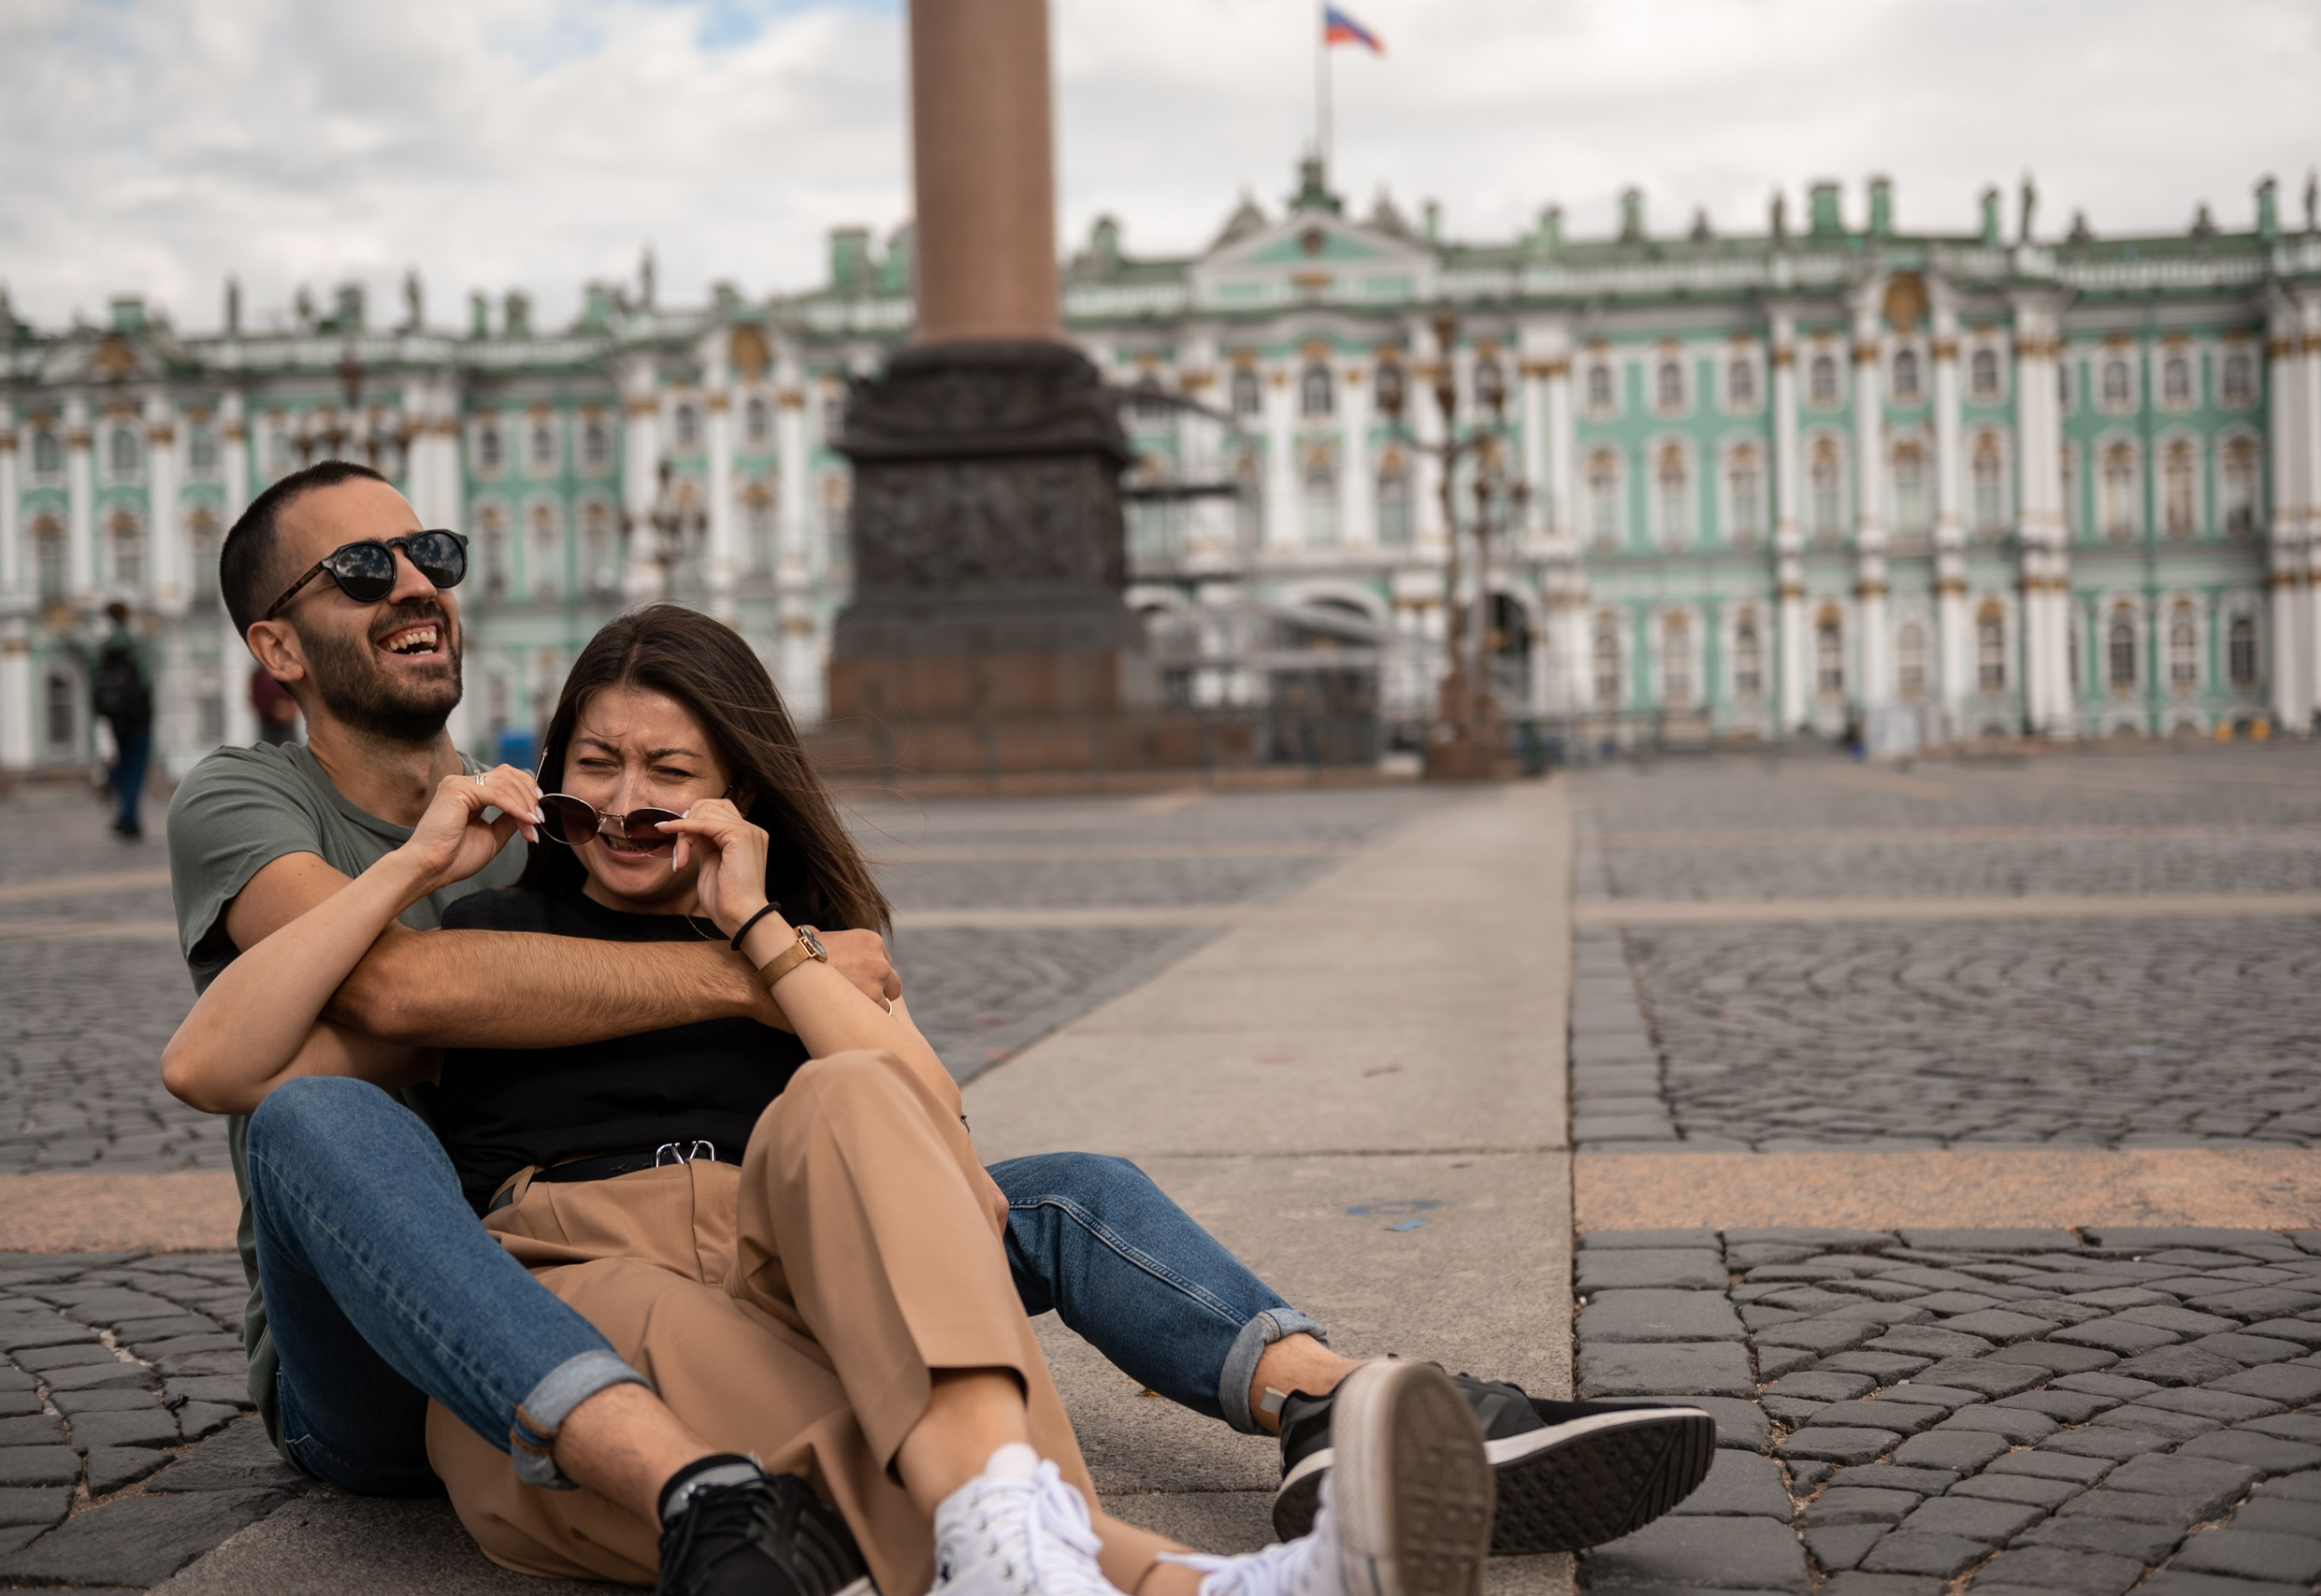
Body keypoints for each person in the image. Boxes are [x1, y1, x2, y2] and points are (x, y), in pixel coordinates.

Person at [161, 461, 1710, 1589]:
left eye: (427, 549)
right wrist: (688, 949)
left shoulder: (776, 921)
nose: (632, 796)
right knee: (356, 1133)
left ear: (743, 787)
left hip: (775, 1225)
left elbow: (927, 1140)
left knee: (1040, 1179)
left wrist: (777, 942)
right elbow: (335, 1019)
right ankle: (1160, 1572)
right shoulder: (330, 843)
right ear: (281, 645)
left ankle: (1327, 1400)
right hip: (460, 1300)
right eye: (362, 569)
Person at [91, 601, 154, 838]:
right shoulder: (134, 643)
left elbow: (94, 678)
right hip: (137, 714)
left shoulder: (104, 646)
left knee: (124, 760)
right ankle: (128, 818)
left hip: (115, 714)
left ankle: (110, 780)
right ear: (127, 617)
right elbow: (145, 680)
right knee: (136, 766)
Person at [251, 663, 300, 746]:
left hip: (288, 726)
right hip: (269, 727)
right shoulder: (259, 676)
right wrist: (274, 711)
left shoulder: (288, 673)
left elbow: (297, 696)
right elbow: (257, 699)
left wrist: (292, 710)